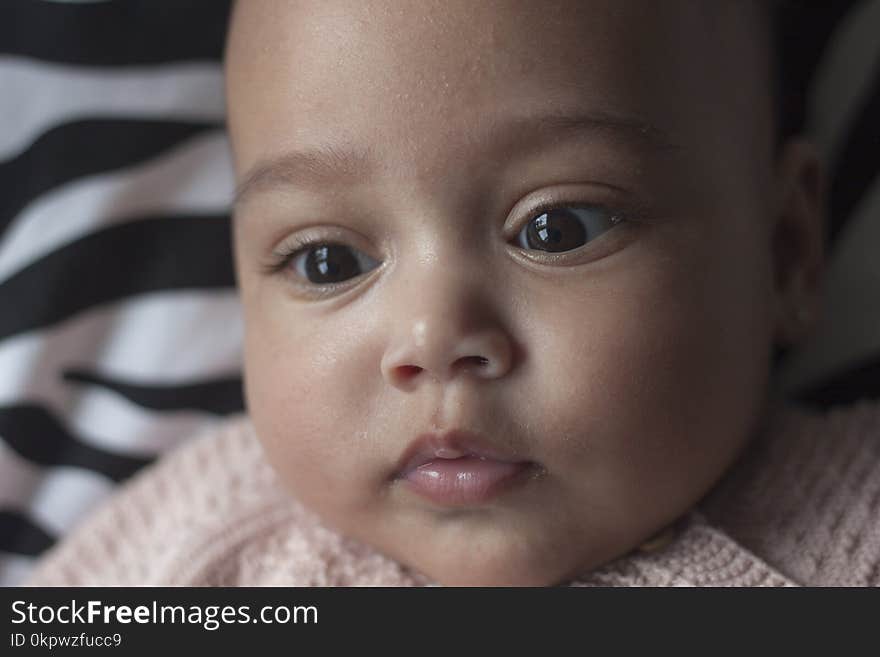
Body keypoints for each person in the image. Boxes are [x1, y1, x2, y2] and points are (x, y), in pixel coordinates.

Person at [26, 0, 880, 587]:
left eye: (557, 229)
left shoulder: (857, 509)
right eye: (328, 261)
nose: (435, 336)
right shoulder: (194, 545)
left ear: (785, 252)